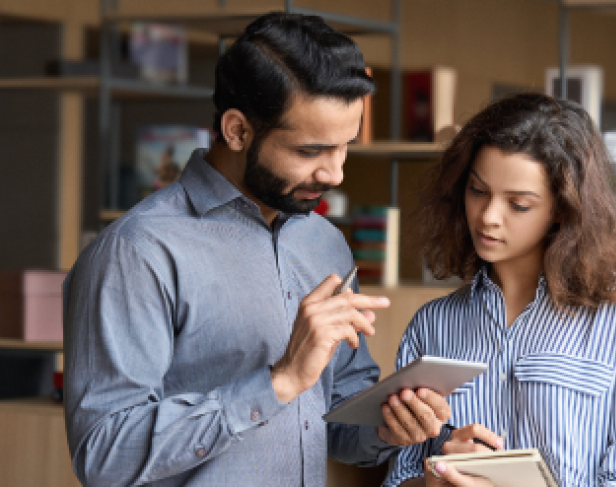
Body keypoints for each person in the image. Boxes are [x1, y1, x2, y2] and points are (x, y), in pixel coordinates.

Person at [63, 12, 451, 487]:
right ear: (237, 130)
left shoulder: (323, 242)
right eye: (311, 151)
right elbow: (103, 455)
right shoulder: (137, 252)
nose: (335, 174)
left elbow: (333, 423)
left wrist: (392, 424)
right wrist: (279, 382)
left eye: (344, 146)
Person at [383, 93, 616, 487]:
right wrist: (434, 480)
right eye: (477, 190)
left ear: (562, 209)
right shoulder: (432, 326)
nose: (488, 217)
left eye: (518, 204)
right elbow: (399, 477)